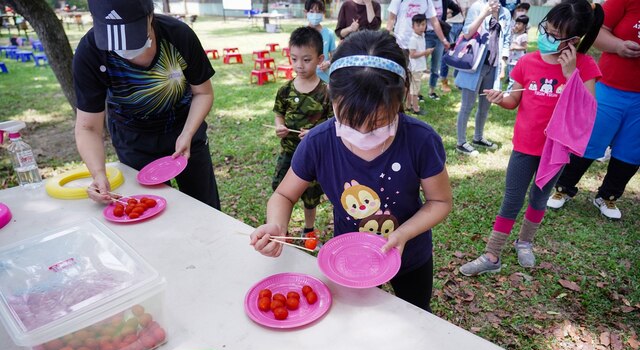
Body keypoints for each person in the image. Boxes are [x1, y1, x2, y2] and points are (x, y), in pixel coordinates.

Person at [251, 30, 453, 312]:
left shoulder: (420, 140)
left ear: (402, 98)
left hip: (409, 257)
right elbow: (284, 195)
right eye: (349, 120)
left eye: (378, 122)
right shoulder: (318, 143)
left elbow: (440, 201)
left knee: (414, 315)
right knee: (356, 319)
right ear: (331, 97)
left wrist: (404, 233)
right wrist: (277, 225)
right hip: (349, 259)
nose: (362, 132)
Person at [459, 0, 603, 276]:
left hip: (555, 151)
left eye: (553, 34)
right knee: (511, 199)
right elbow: (514, 100)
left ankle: (524, 242)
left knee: (539, 199)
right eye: (546, 29)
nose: (546, 37)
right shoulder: (528, 61)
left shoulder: (585, 67)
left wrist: (570, 74)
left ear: (572, 40)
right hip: (524, 147)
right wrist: (501, 99)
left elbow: (588, 112)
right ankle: (492, 254)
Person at [74, 0, 220, 209]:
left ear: (150, 15)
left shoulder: (178, 35)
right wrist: (98, 174)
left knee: (205, 207)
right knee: (149, 209)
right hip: (133, 139)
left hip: (185, 127)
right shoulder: (90, 51)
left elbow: (203, 92)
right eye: (115, 42)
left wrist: (187, 134)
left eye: (132, 37)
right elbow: (88, 127)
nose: (124, 48)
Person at [547, 0, 640, 220]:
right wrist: (619, 46)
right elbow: (597, 31)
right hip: (611, 86)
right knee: (589, 139)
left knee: (631, 150)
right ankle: (563, 188)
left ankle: (608, 196)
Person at [272, 27, 333, 237]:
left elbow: (333, 122)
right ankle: (282, 229)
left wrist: (315, 134)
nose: (299, 65)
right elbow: (279, 112)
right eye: (294, 58)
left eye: (306, 59)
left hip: (313, 156)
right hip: (289, 152)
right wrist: (279, 126)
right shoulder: (285, 90)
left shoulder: (326, 92)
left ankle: (309, 228)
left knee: (311, 195)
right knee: (282, 191)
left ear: (319, 58)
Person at [454, 0, 511, 156]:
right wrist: (484, 13)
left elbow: (506, 40)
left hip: (493, 65)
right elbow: (466, 33)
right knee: (467, 104)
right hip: (474, 64)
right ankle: (461, 142)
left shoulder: (505, 13)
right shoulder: (477, 6)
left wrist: (503, 64)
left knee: (485, 106)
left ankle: (478, 137)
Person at [386, 0, 453, 102]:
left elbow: (434, 21)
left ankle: (409, 104)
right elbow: (391, 19)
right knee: (400, 74)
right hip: (401, 43)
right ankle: (397, 102)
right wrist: (386, 37)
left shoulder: (426, 1)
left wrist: (443, 40)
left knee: (414, 76)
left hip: (418, 44)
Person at [440, 0, 472, 94]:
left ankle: (458, 80)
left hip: (462, 25)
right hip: (449, 25)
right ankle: (444, 81)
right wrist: (447, 15)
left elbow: (463, 10)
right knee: (447, 53)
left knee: (460, 53)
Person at [408, 14, 435, 115]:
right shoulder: (413, 39)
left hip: (418, 67)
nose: (421, 27)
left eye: (423, 24)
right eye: (418, 25)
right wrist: (426, 52)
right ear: (413, 26)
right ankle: (416, 109)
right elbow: (412, 54)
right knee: (415, 90)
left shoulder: (422, 36)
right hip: (415, 69)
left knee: (412, 88)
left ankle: (408, 106)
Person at [305, 0, 336, 83]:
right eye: (312, 11)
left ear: (323, 13)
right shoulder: (302, 33)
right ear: (306, 12)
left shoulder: (329, 33)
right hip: (306, 77)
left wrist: (328, 63)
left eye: (318, 12)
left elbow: (334, 55)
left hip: (325, 78)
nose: (315, 14)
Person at [506, 14, 529, 91]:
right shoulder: (515, 34)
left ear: (524, 25)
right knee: (510, 78)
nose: (516, 25)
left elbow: (525, 47)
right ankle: (509, 93)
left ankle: (508, 94)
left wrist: (515, 47)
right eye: (516, 23)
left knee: (512, 80)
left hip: (516, 61)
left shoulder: (524, 36)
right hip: (511, 60)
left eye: (519, 24)